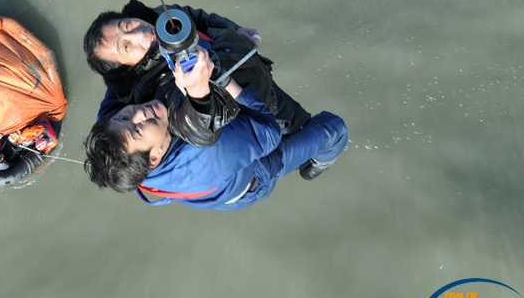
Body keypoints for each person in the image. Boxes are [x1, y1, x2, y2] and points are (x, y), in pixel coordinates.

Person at [83, 54, 348, 211]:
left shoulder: (109, 130)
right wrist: (220, 79)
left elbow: (116, 89)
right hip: (253, 176)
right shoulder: (210, 156)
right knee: (333, 127)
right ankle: (316, 164)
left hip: (212, 178)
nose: (138, 113)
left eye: (125, 116)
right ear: (155, 157)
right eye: (138, 130)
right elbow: (268, 133)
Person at [84, 0, 311, 140]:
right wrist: (197, 92)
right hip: (254, 108)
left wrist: (233, 29)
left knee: (300, 120)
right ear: (125, 70)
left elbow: (198, 17)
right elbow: (194, 126)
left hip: (256, 69)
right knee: (302, 137)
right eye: (126, 47)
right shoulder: (156, 88)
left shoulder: (158, 17)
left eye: (127, 25)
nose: (139, 34)